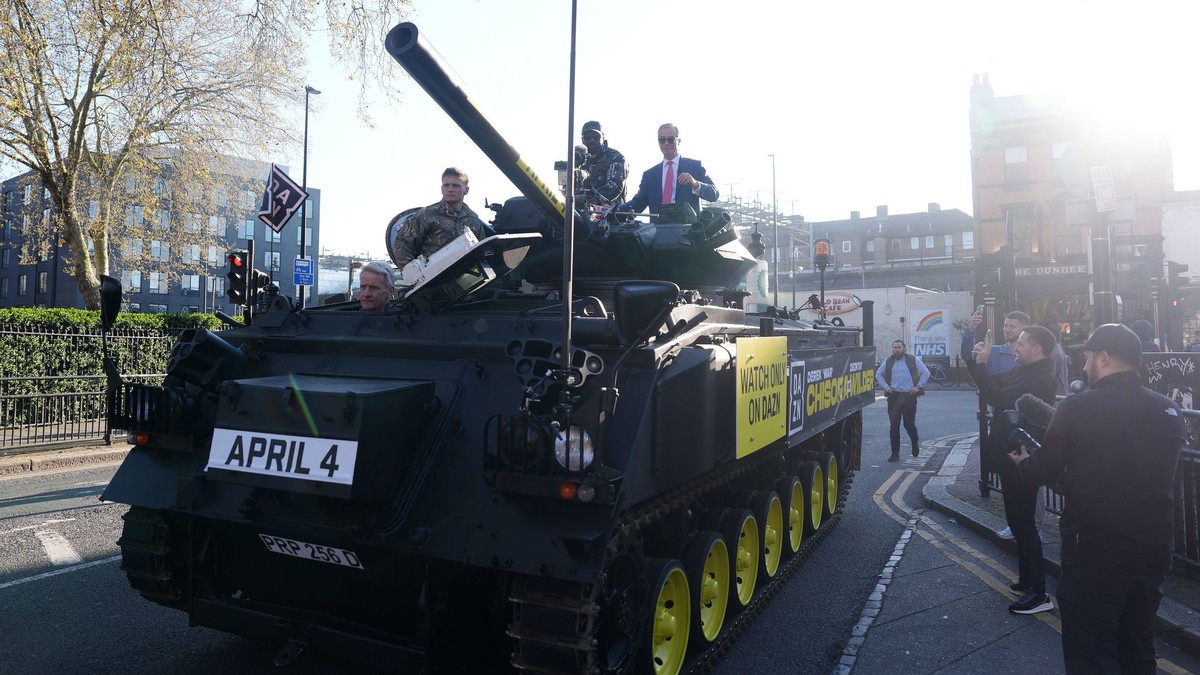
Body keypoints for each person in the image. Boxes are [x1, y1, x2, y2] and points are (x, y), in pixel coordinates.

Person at [1009, 324, 1185, 673]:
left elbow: (1045, 470)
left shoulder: (1077, 406)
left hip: (1095, 553)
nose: (1084, 366)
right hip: (1151, 552)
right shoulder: (1169, 410)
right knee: (1137, 651)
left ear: (1104, 358)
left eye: (1087, 358)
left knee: (1092, 655)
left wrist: (1024, 462)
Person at [969, 325, 1058, 615]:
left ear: (1037, 350)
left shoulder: (1040, 378)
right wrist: (977, 361)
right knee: (1018, 522)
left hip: (1024, 458)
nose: (1015, 347)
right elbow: (991, 383)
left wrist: (982, 367)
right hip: (1012, 456)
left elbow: (999, 398)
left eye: (1021, 343)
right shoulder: (1025, 372)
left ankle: (1039, 593)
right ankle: (1026, 580)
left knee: (1025, 524)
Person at [389, 167, 493, 269]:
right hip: (432, 280)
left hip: (466, 280)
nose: (450, 189)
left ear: (466, 190)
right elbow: (402, 246)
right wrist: (415, 276)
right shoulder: (426, 215)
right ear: (441, 189)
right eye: (446, 185)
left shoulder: (473, 219)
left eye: (455, 186)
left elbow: (482, 250)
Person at [619, 123, 719, 218]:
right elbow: (638, 203)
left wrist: (695, 184)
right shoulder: (649, 175)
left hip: (688, 231)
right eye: (662, 140)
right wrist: (613, 210)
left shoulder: (694, 166)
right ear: (658, 142)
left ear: (679, 141)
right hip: (658, 232)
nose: (666, 143)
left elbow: (713, 194)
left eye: (671, 139)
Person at [874, 340, 930, 461]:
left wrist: (918, 386)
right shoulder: (888, 361)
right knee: (894, 426)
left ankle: (915, 442)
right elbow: (878, 374)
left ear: (904, 348)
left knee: (908, 424)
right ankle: (895, 454)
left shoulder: (912, 360)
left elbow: (926, 372)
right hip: (894, 396)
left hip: (909, 396)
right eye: (895, 347)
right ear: (892, 349)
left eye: (899, 347)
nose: (897, 349)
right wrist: (886, 387)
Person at [960, 309, 1030, 374]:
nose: (1007, 330)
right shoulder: (991, 351)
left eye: (1012, 326)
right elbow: (967, 356)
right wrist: (971, 329)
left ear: (1024, 329)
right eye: (1005, 326)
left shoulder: (1032, 355)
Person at [578, 121, 628, 206]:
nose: (592, 140)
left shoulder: (615, 157)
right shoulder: (578, 159)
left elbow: (615, 185)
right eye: (587, 137)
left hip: (611, 213)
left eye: (596, 137)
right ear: (582, 139)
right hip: (580, 211)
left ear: (603, 137)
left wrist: (594, 201)